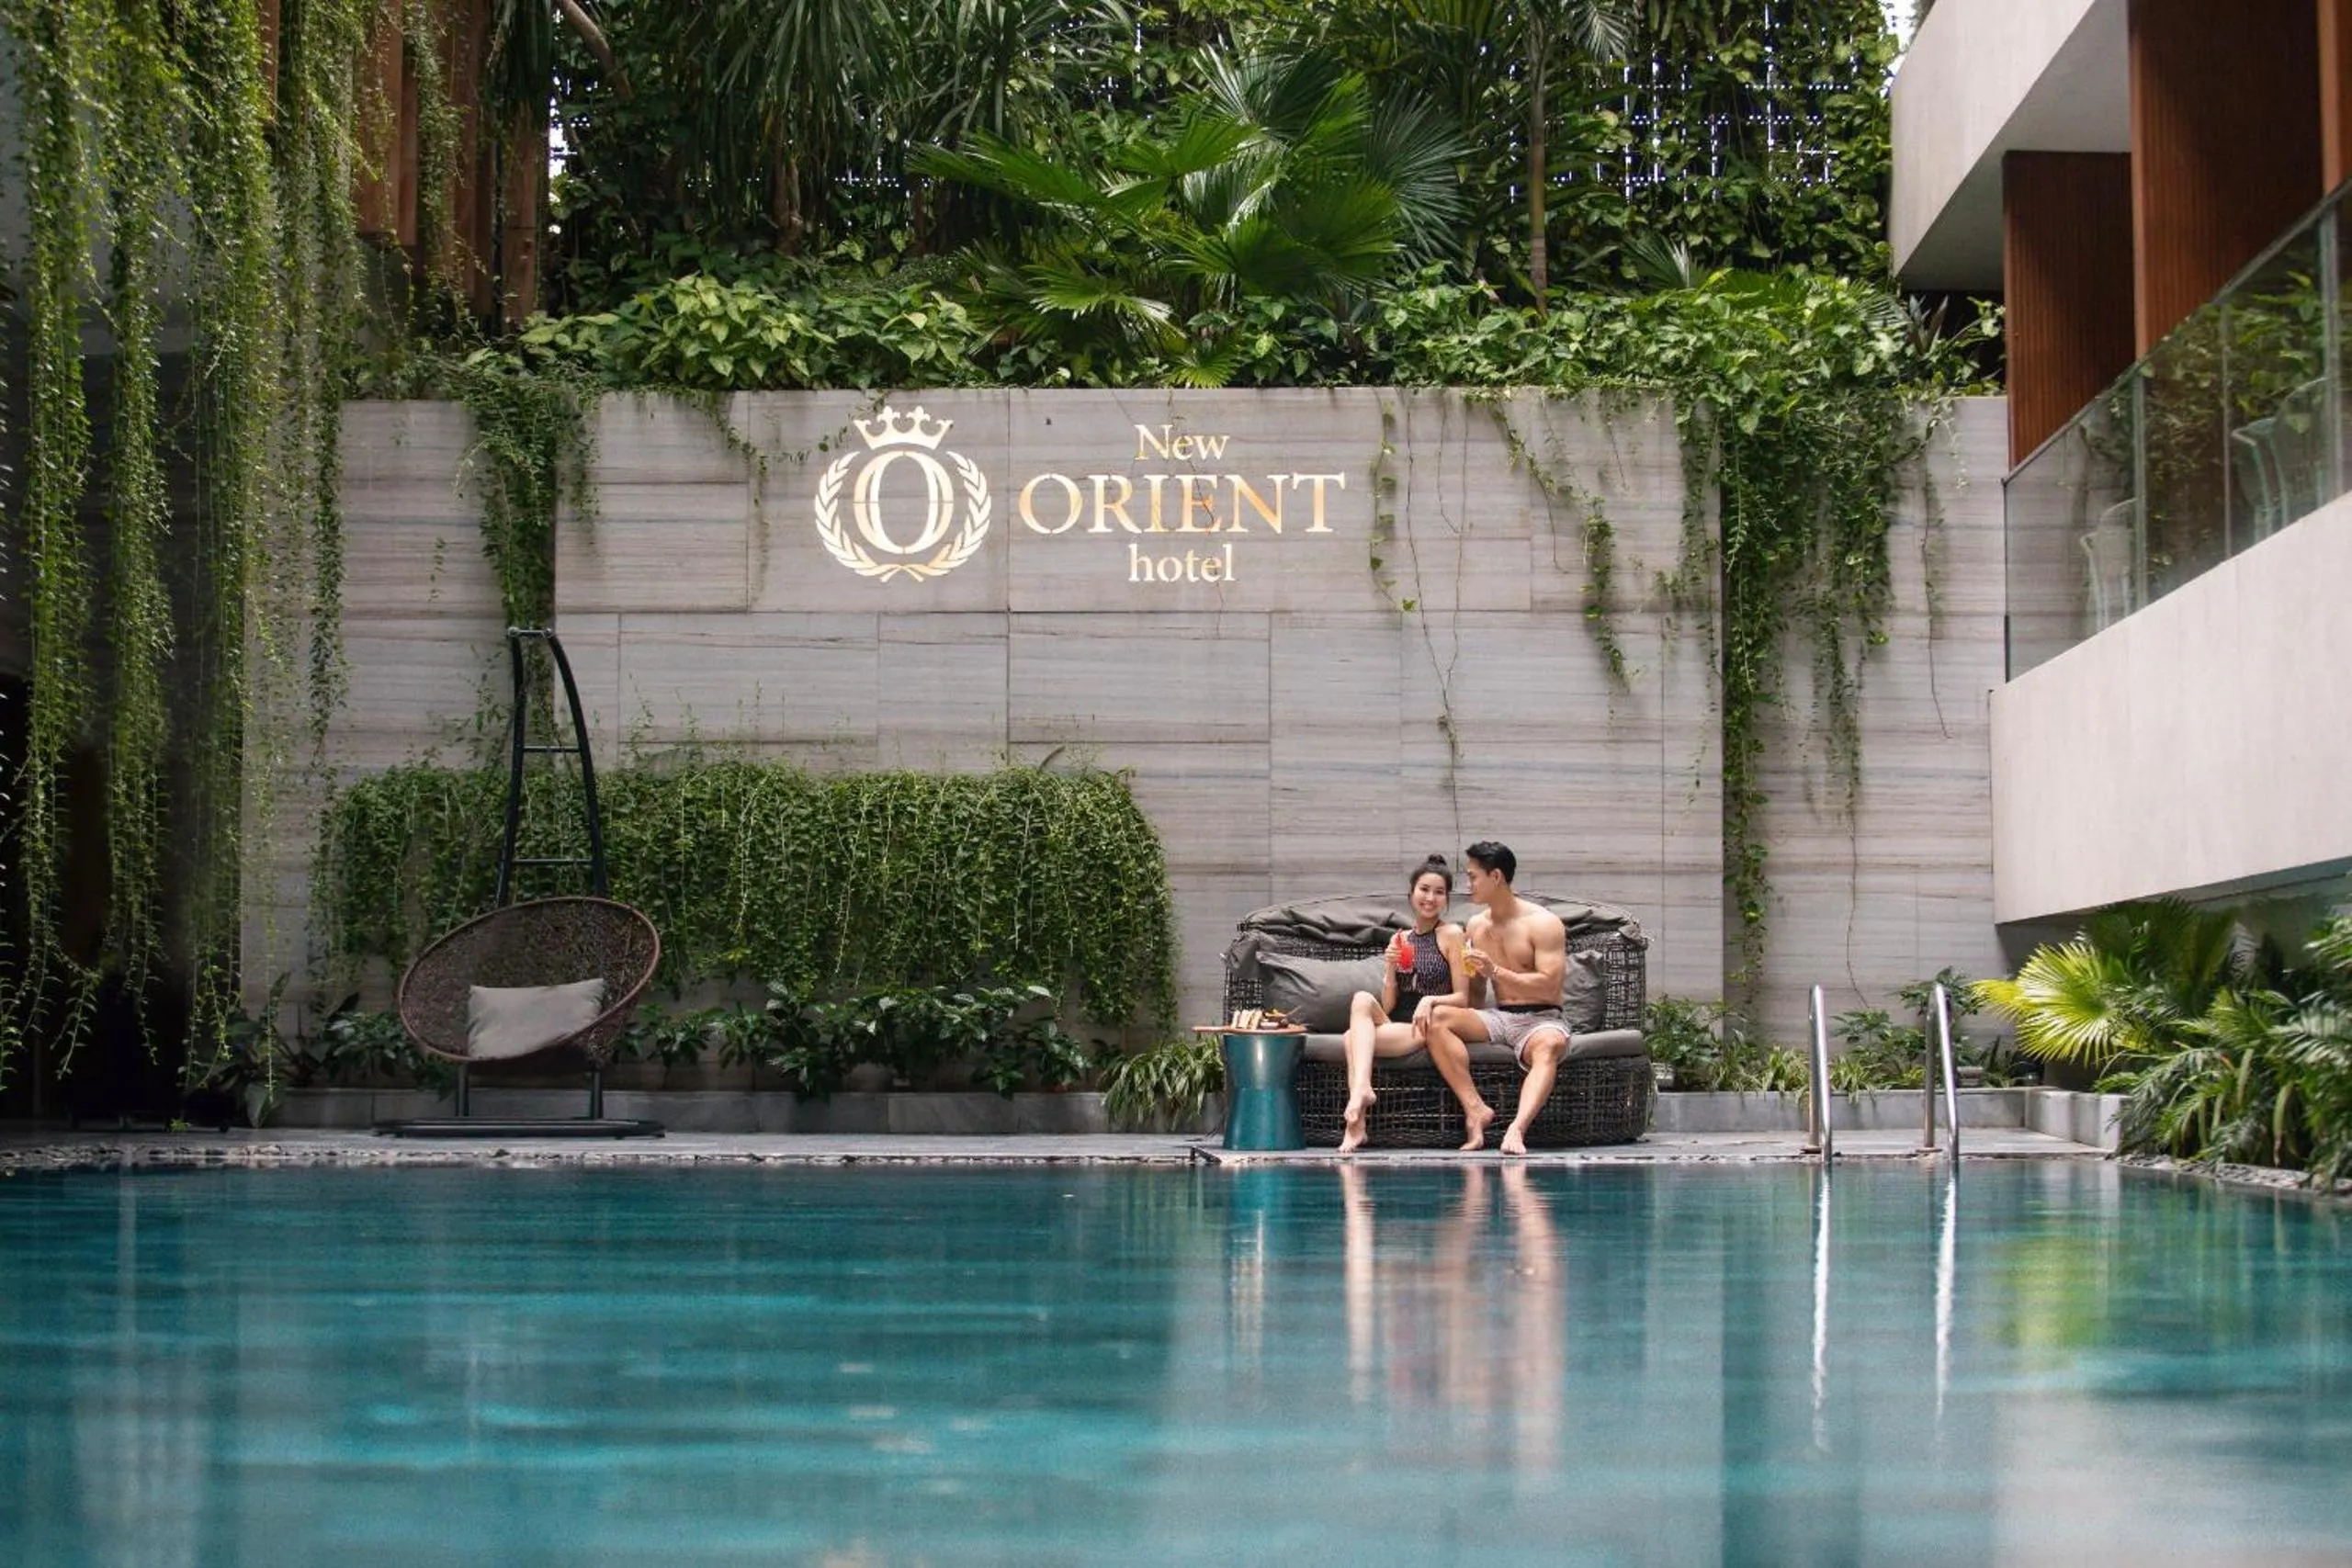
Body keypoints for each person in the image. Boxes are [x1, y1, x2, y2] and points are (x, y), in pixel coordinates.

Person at [1424, 840, 1571, 1155]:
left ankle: (1516, 1131)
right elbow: (1475, 994)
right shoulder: (1476, 926)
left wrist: (1496, 972)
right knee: (1436, 1019)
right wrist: (1458, 994)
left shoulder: (1544, 923)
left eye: (1473, 877)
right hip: (1499, 1017)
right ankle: (1475, 1109)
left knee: (1549, 1046)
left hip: (1541, 1018)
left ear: (1496, 877)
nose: (1467, 885)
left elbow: (1549, 985)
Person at [1337, 853, 1469, 1153]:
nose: (1430, 898)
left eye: (1439, 892)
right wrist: (1389, 969)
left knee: (1350, 1039)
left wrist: (1431, 1001)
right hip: (1397, 1021)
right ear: (1411, 893)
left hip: (1428, 1025)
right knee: (1361, 999)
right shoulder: (1401, 938)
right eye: (1424, 889)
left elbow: (1462, 998)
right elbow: (1388, 1003)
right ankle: (1362, 1091)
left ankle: (1356, 1124)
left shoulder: (1451, 935)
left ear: (1446, 899)